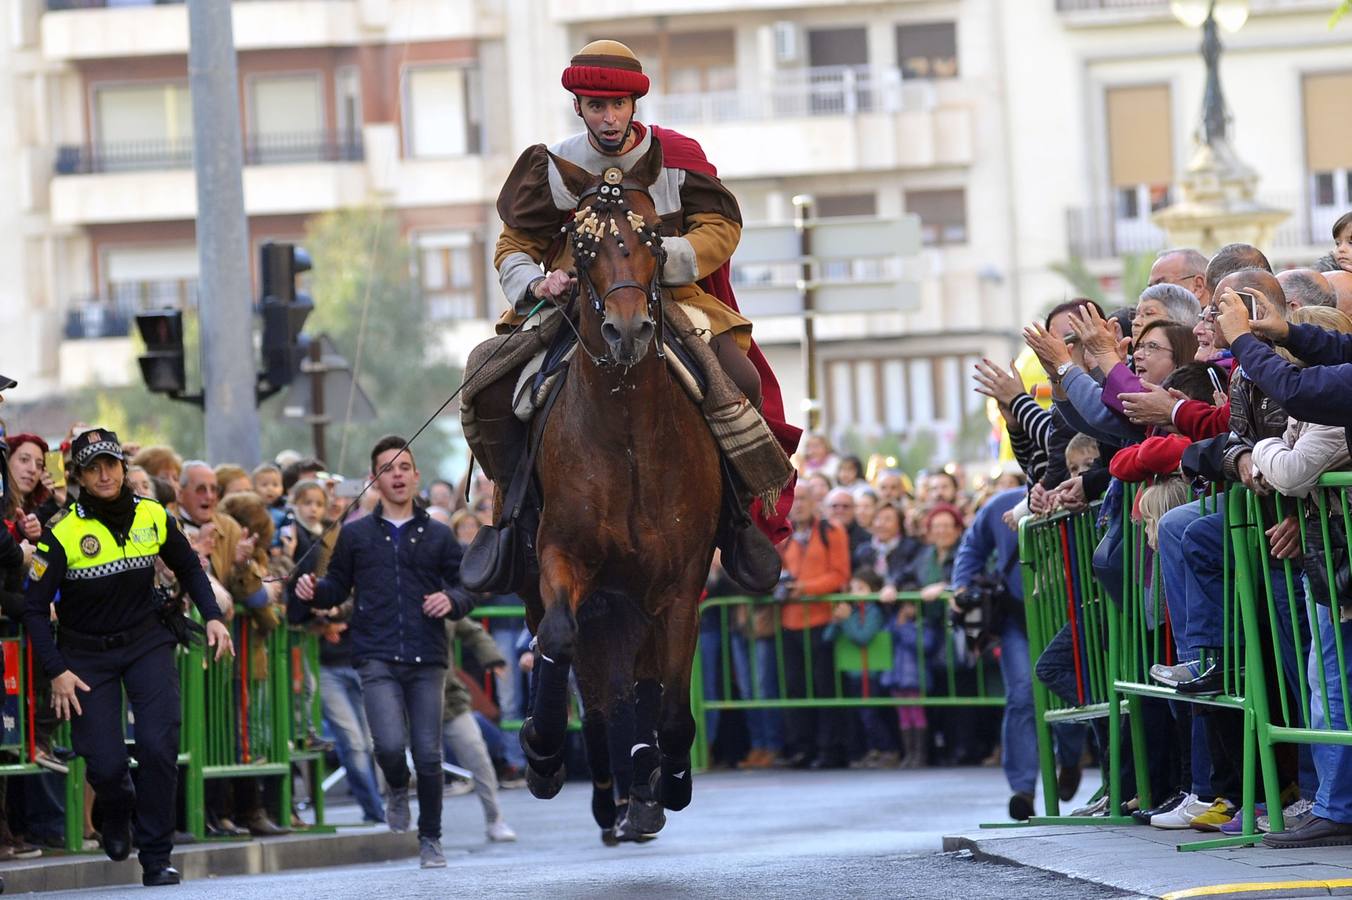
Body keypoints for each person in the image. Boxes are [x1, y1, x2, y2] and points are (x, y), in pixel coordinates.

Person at [484, 37, 799, 573]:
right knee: (485, 380)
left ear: (634, 106)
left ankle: (735, 520)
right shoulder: (553, 165)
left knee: (740, 380)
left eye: (619, 106)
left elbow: (720, 227)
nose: (609, 118)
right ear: (579, 108)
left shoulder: (677, 156)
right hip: (574, 305)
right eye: (597, 107)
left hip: (670, 297)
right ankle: (512, 522)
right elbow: (514, 245)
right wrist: (536, 284)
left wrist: (667, 256)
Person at [22, 429, 233, 887]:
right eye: (94, 467)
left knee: (159, 746)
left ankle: (156, 857)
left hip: (146, 643)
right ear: (77, 475)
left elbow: (190, 568)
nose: (105, 474)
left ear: (122, 467)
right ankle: (114, 812)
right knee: (107, 764)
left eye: (112, 464)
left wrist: (213, 616)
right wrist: (56, 670)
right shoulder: (61, 532)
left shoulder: (153, 515)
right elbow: (34, 609)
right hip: (85, 656)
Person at [296, 435, 474, 869]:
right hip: (374, 654)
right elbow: (336, 586)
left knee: (429, 754)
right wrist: (311, 591)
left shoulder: (439, 535)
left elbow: (466, 585)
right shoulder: (354, 536)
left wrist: (452, 600)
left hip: (427, 656)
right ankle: (397, 785)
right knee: (391, 747)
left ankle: (430, 838)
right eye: (387, 468)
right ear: (374, 479)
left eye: (404, 467)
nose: (397, 474)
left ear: (415, 476)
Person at [776, 486, 851, 769]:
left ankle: (829, 749)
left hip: (822, 621)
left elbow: (840, 574)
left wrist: (803, 589)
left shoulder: (831, 531)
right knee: (796, 688)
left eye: (804, 499)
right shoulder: (785, 535)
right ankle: (802, 748)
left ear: (815, 502)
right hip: (791, 621)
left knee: (824, 688)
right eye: (794, 500)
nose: (798, 505)